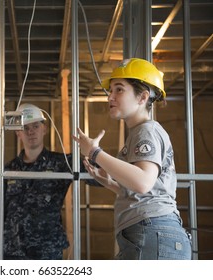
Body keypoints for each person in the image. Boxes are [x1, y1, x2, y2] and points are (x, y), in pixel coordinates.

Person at [73, 58, 192, 260]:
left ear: (142, 97)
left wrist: (95, 153)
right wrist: (110, 183)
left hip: (152, 230)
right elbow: (149, 190)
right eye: (110, 90)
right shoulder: (141, 132)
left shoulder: (146, 131)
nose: (110, 96)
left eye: (119, 89)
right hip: (153, 232)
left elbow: (143, 182)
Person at [0, 103, 96, 260]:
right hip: (13, 252)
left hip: (47, 252)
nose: (31, 132)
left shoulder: (61, 163)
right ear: (18, 133)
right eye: (25, 128)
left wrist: (93, 152)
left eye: (36, 126)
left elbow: (98, 177)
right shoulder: (7, 171)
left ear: (44, 129)